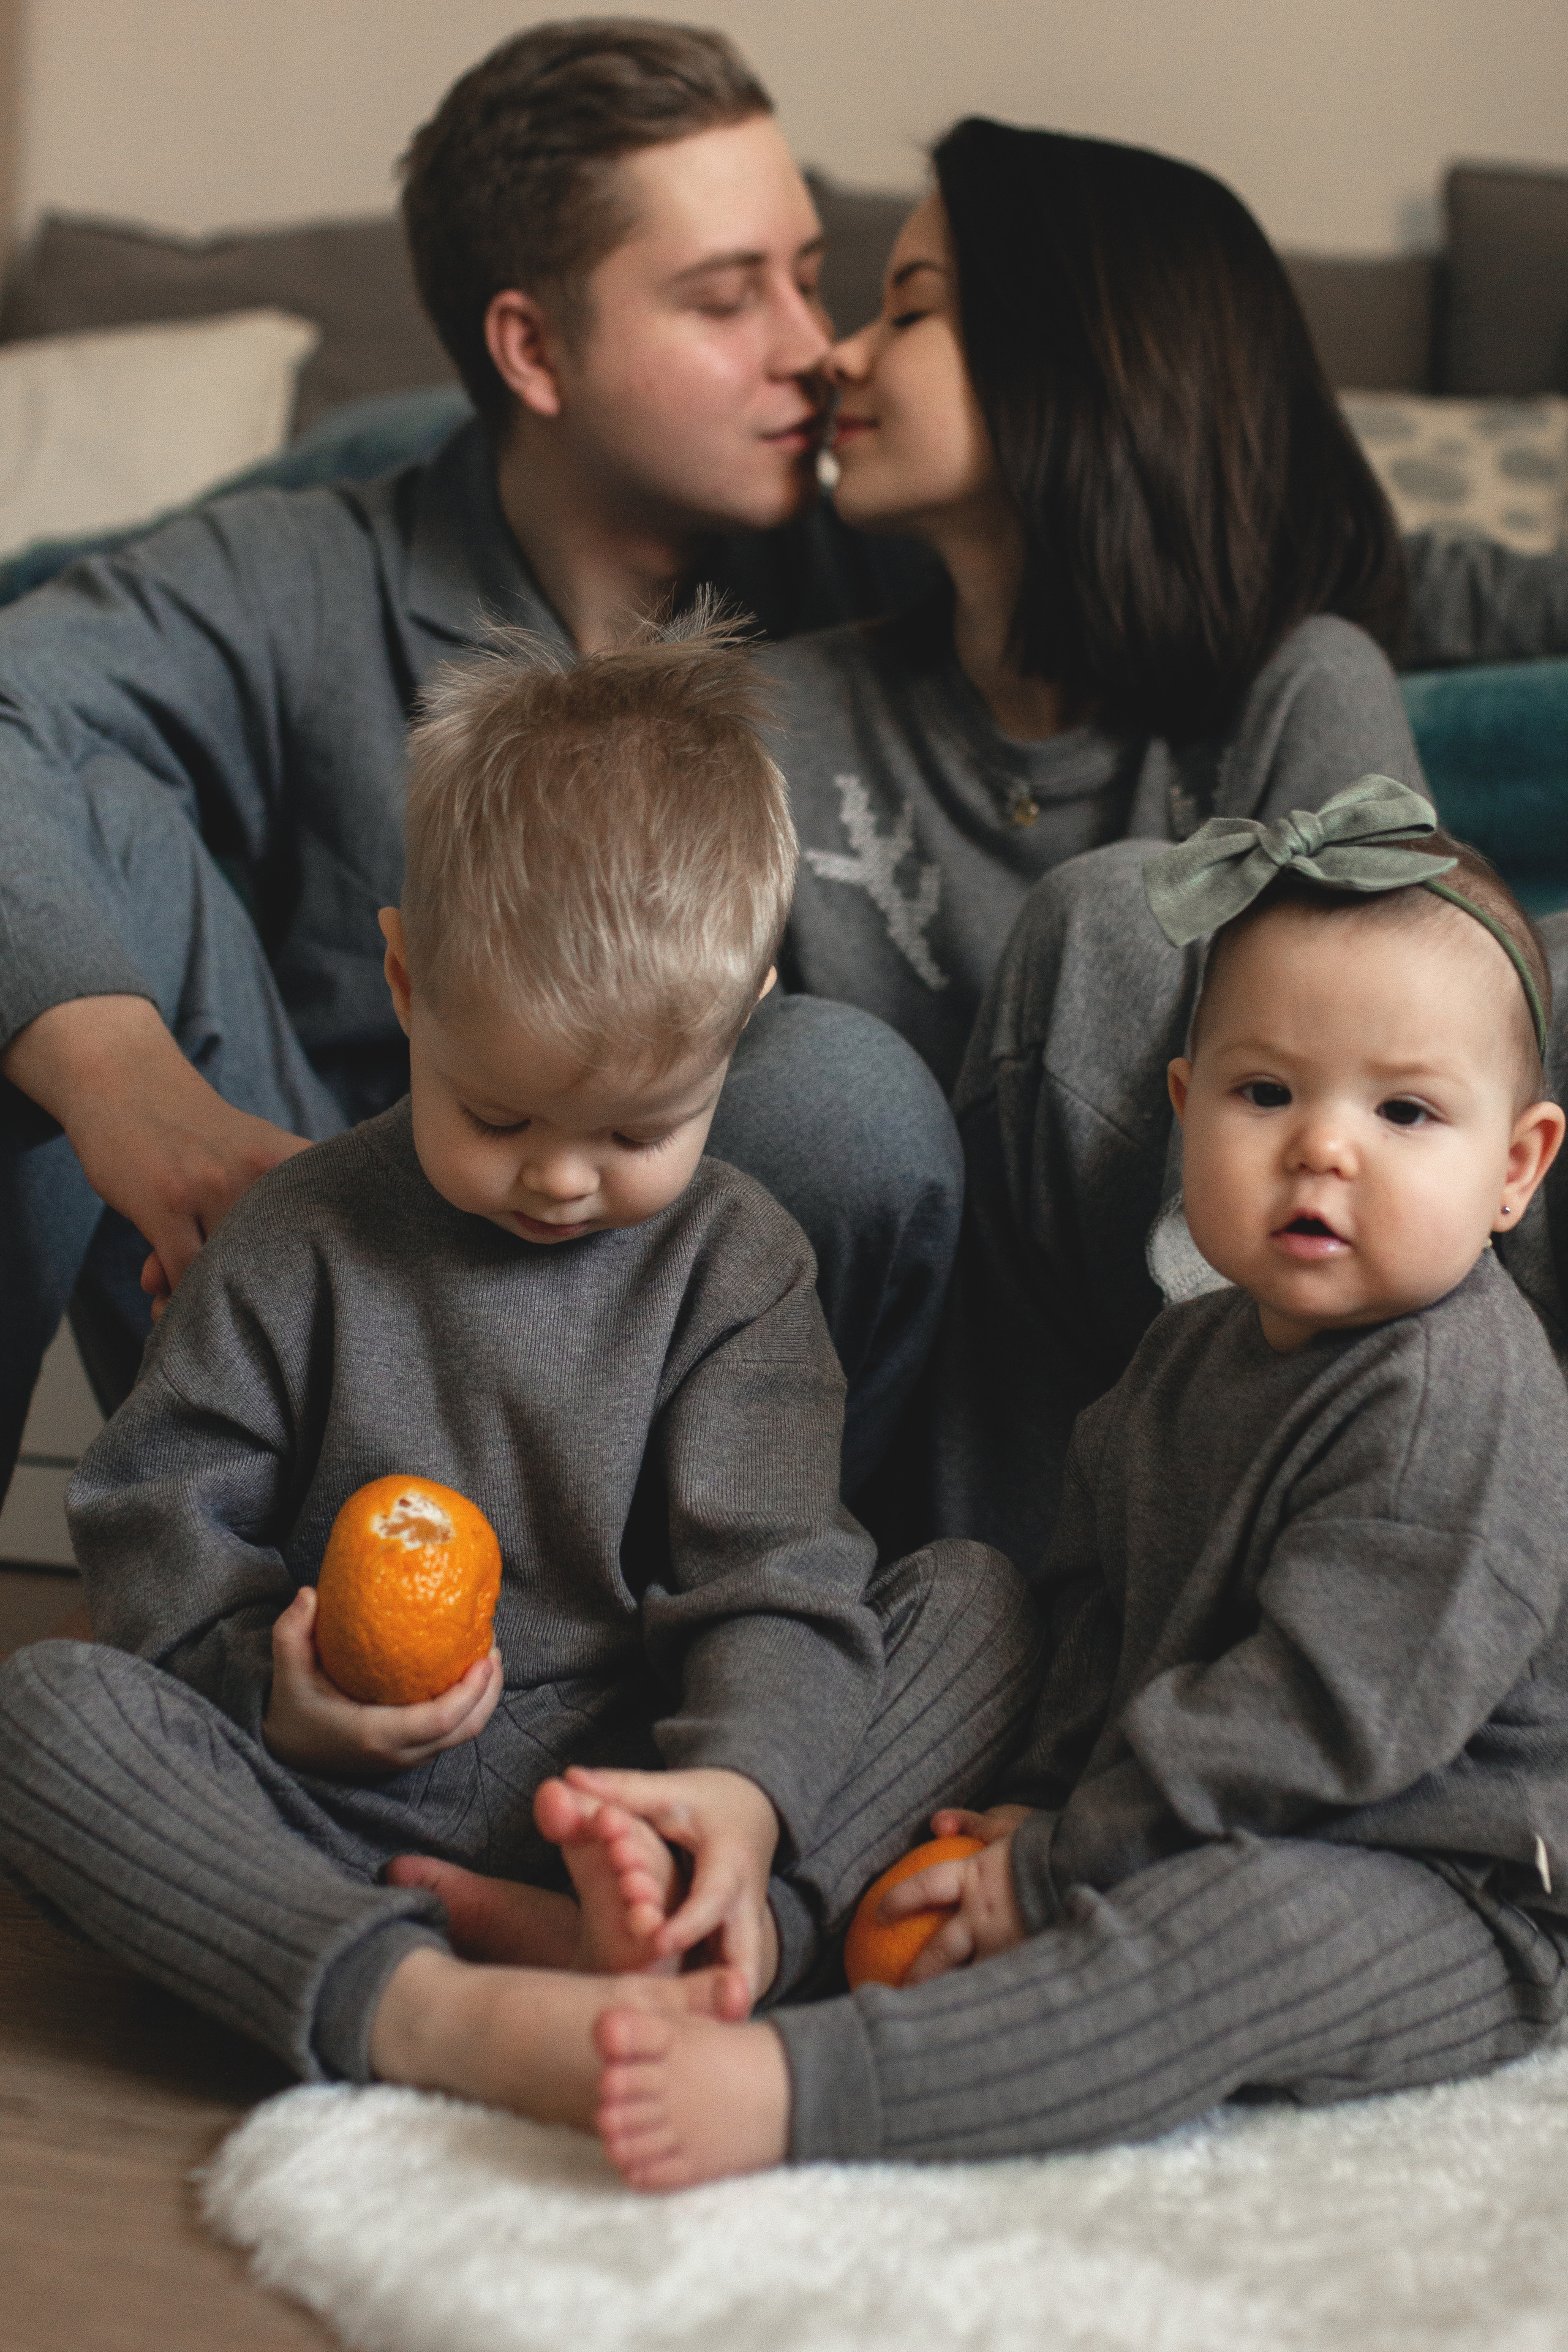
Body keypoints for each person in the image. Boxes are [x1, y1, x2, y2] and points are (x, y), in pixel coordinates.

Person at [0, 624, 1039, 2101]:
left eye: (633, 1134)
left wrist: (732, 1800)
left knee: (973, 1604)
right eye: (496, 1120)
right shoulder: (297, 1233)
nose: (559, 1180)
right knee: (47, 1714)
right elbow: (155, 1514)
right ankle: (413, 2004)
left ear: (738, 1034)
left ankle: (721, 1935)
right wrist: (272, 1691)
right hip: (335, 1795)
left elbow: (769, 1581)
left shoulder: (736, 1268)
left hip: (627, 1784)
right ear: (408, 980)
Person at [0, 18, 951, 1504]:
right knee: (68, 864)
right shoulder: (313, 566)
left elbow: (1224, 544)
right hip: (314, 1342)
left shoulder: (886, 552)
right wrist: (118, 1075)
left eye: (809, 278)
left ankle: (782, 1629)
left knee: (836, 1088)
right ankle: (211, 1579)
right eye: (724, 299)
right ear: (529, 348)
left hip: (702, 1421)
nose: (811, 348)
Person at [574, 778, 1568, 2187]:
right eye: (1263, 1092)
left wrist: (1052, 1872)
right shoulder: (1185, 1357)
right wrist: (1035, 1804)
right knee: (977, 1591)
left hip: (1429, 1877)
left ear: (1513, 1169)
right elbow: (1095, 1610)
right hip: (1174, 1801)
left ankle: (815, 2089)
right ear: (1182, 1112)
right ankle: (745, 1926)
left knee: (1240, 1933)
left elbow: (1314, 1727)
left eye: (1405, 1112)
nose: (1321, 1147)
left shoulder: (1454, 1399)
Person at [760, 119, 1423, 1092]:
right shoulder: (768, 713)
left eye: (910, 314)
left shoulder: (1303, 690)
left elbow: (1373, 1097)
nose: (839, 359)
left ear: (1076, 361)